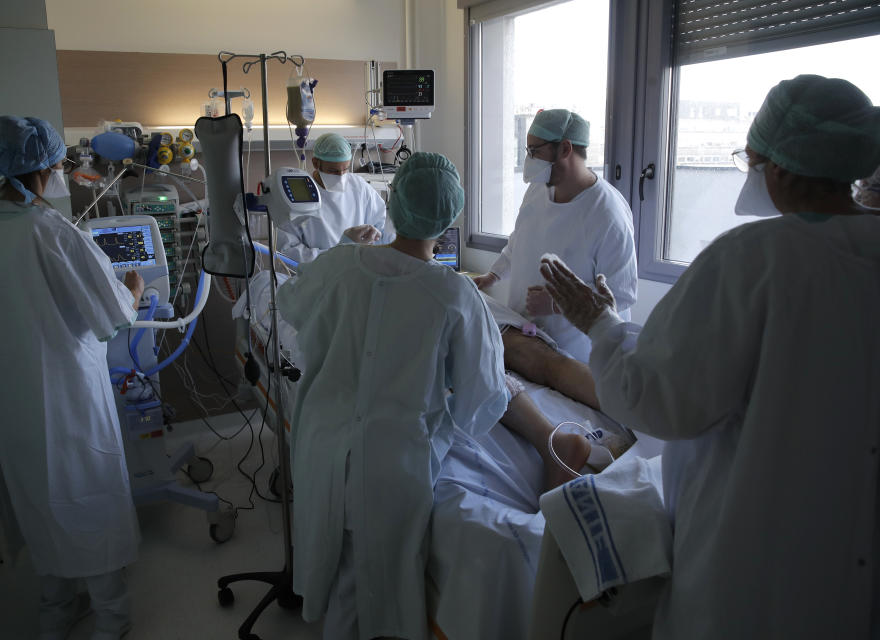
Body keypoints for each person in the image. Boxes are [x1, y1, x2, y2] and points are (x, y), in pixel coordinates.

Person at [538, 75, 880, 639]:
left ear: (784, 167)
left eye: (752, 158)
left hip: (756, 573)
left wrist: (599, 325)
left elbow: (656, 403)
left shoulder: (752, 262)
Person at [277, 152, 588, 640]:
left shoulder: (341, 265)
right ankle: (551, 435)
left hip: (321, 446)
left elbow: (291, 305)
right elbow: (480, 403)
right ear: (450, 220)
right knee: (372, 593)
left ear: (392, 202)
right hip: (391, 468)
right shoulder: (454, 296)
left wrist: (342, 250)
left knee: (340, 578)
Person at [0, 116, 143, 640]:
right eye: (59, 168)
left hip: (9, 397)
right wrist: (135, 287)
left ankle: (56, 607)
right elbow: (112, 313)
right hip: (67, 392)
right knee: (85, 492)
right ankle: (110, 618)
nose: (61, 175)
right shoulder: (51, 232)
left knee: (36, 495)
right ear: (46, 171)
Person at [472, 109, 637, 363]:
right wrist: (493, 275)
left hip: (575, 354)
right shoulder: (539, 189)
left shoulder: (607, 213)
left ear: (565, 149)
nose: (529, 159)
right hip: (526, 337)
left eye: (534, 151)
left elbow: (622, 294)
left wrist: (558, 304)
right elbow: (519, 240)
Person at [275, 132, 394, 264]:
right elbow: (288, 250)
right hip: (318, 276)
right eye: (333, 171)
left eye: (346, 169)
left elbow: (381, 227)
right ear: (315, 163)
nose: (341, 176)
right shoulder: (299, 194)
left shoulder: (359, 187)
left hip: (358, 269)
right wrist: (333, 258)